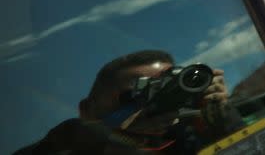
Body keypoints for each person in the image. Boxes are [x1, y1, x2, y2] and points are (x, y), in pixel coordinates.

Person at [15, 50, 240, 154]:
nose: (153, 101)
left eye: (166, 87)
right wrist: (114, 140)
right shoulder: (64, 143)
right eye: (134, 95)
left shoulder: (190, 136)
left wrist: (220, 118)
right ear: (86, 110)